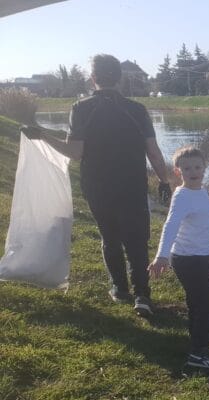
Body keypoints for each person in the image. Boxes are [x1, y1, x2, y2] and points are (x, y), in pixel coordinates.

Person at [22, 54, 172, 318]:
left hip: (97, 186)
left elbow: (75, 152)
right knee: (137, 239)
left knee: (110, 237)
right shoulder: (137, 110)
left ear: (93, 79)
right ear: (120, 78)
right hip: (132, 185)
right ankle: (142, 295)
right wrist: (164, 181)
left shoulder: (81, 109)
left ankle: (119, 289)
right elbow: (155, 153)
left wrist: (43, 136)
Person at [148, 146, 209, 369]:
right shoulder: (182, 196)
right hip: (187, 259)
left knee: (198, 301)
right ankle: (198, 355)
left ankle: (198, 343)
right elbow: (170, 225)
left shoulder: (201, 192)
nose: (193, 171)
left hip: (201, 258)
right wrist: (161, 256)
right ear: (178, 172)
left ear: (204, 168)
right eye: (187, 168)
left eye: (197, 166)